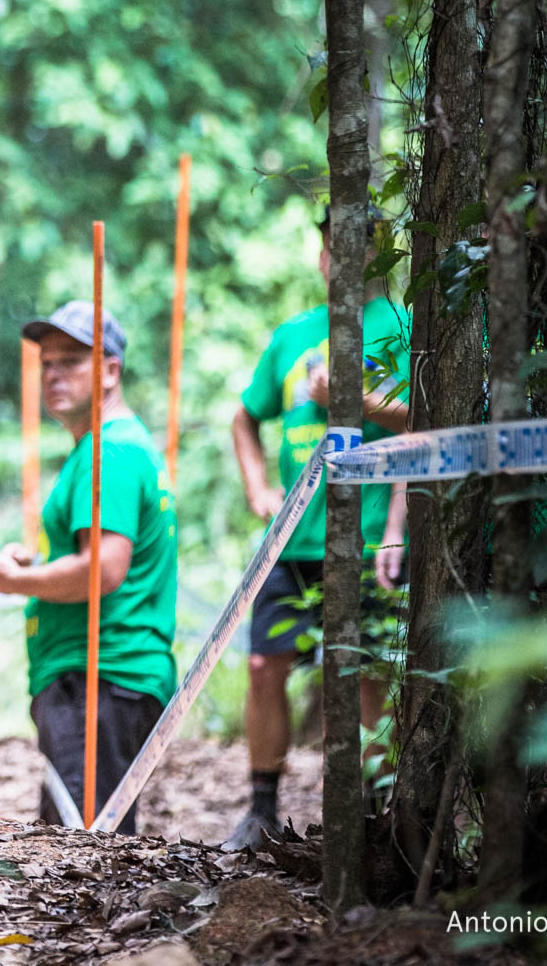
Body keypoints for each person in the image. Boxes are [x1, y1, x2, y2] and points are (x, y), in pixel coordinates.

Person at [224, 213, 410, 850]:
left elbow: (427, 421)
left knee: (366, 674)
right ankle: (260, 808)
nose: (339, 258)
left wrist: (356, 400)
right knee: (260, 664)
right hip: (290, 540)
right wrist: (257, 489)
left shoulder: (402, 328)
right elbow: (243, 419)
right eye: (331, 246)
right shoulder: (293, 335)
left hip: (365, 541)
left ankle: (380, 815)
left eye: (354, 247)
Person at [0, 301, 178, 833]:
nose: (54, 374)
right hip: (96, 683)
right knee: (80, 847)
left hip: (101, 679)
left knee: (83, 853)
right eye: (47, 363)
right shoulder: (101, 450)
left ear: (110, 371)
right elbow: (92, 556)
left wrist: (14, 582)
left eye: (72, 361)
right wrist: (34, 562)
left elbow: (103, 570)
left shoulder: (112, 454)